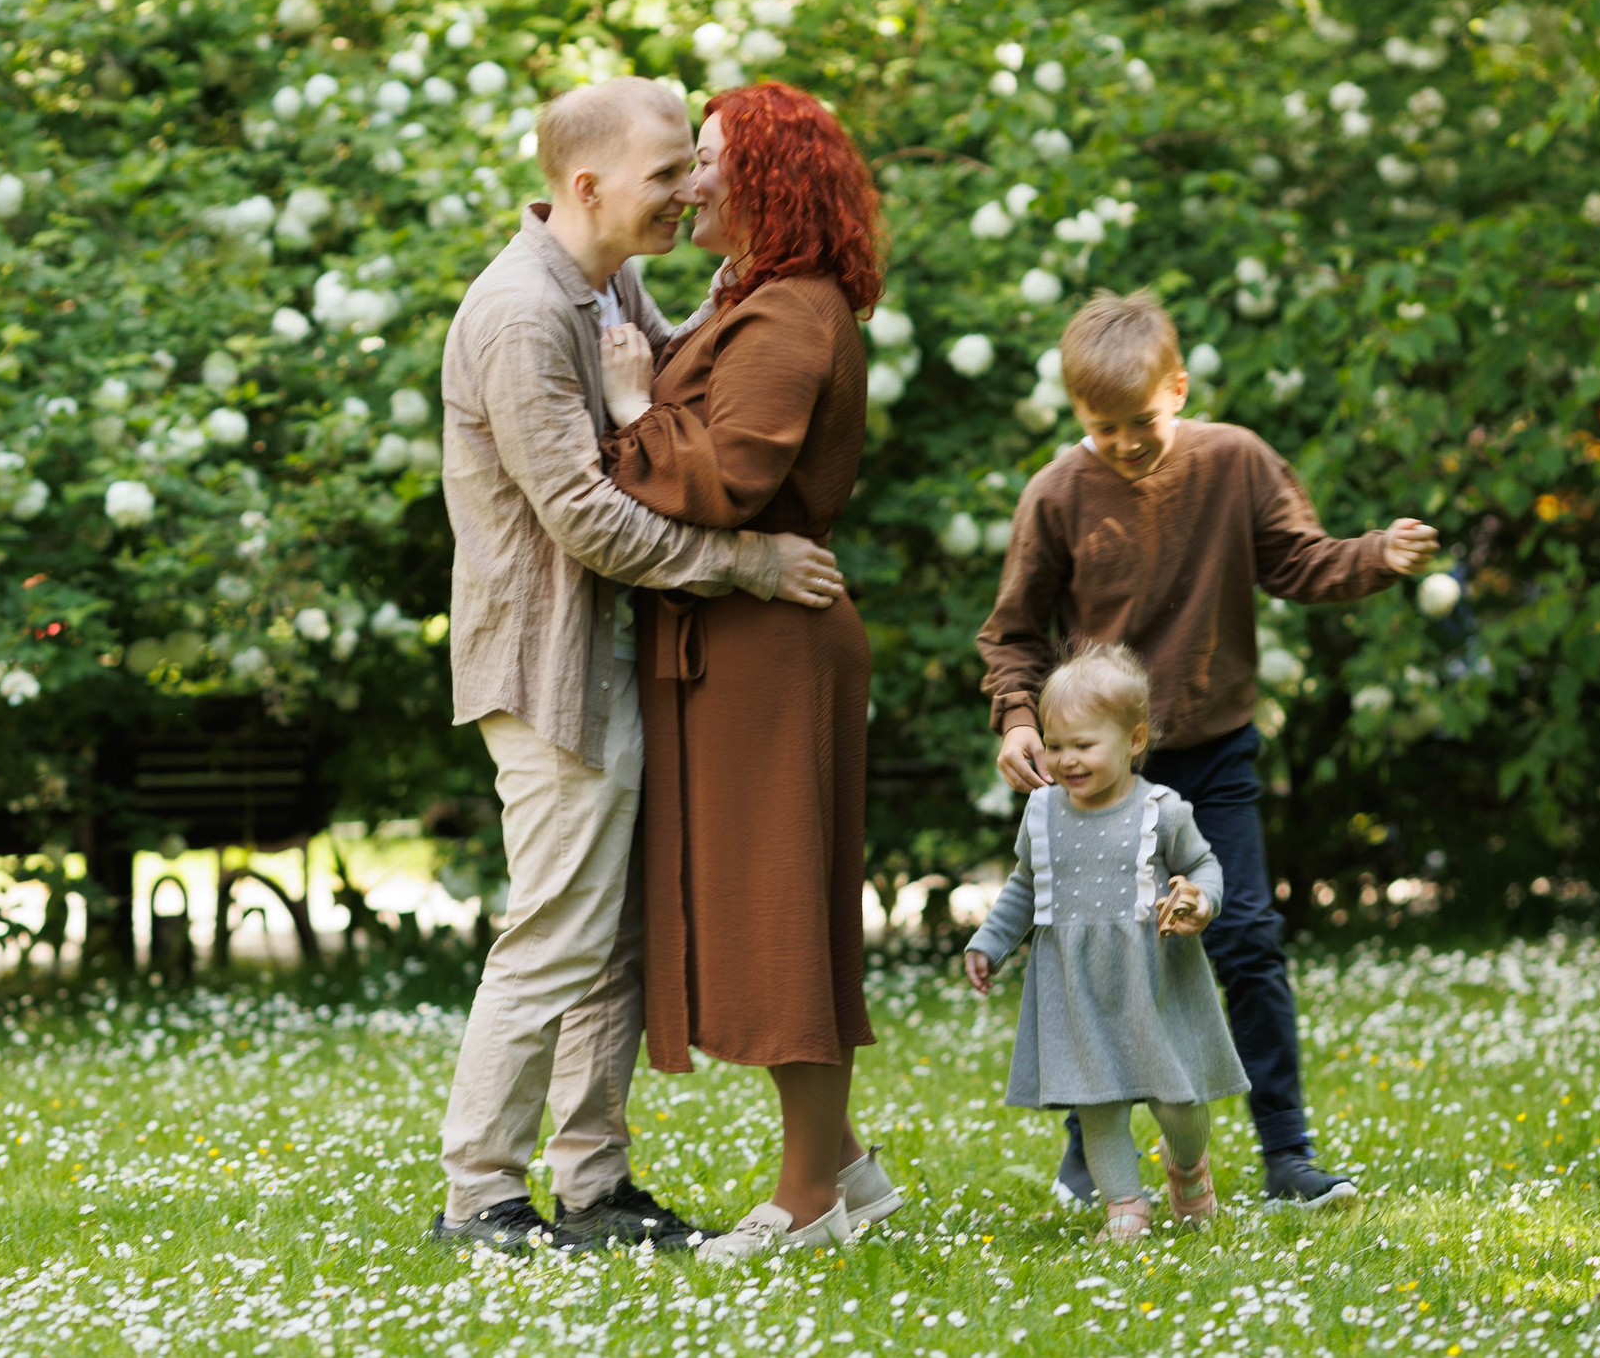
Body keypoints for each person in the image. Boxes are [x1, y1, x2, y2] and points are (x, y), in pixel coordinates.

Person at [434, 76, 846, 1252]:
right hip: (545, 658)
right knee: (557, 928)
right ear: (589, 184)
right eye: (670, 173)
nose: (689, 188)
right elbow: (584, 513)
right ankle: (480, 1194)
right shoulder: (519, 313)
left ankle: (594, 1185)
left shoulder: (606, 279)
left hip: (612, 645)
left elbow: (668, 390)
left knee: (611, 935)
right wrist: (748, 566)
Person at [976, 288, 1439, 1209]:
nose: (1124, 443)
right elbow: (1013, 634)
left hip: (1213, 749)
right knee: (1088, 950)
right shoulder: (1057, 495)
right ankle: (1089, 1151)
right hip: (1096, 773)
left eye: (1140, 421)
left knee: (1246, 938)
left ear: (1178, 389)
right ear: (1077, 417)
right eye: (1102, 429)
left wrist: (1376, 555)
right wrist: (1021, 720)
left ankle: (1288, 1155)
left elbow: (1299, 560)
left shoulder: (1235, 462)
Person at [595, 81, 899, 1263]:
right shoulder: (748, 294)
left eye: (711, 159)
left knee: (780, 918)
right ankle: (846, 1169)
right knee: (759, 908)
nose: (691, 178)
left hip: (771, 648)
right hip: (731, 639)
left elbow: (730, 479)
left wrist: (632, 411)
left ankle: (807, 1203)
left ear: (771, 179)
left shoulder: (790, 314)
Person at [964, 643, 1248, 1245]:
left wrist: (1199, 900)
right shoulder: (1042, 813)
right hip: (1076, 986)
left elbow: (1205, 867)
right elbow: (1024, 887)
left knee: (1178, 1101)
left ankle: (1188, 1166)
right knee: (1097, 1104)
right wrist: (990, 942)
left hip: (1155, 981)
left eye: (1083, 745)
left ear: (1134, 740)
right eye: (1056, 744)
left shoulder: (1161, 811)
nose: (1066, 760)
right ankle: (1124, 1203)